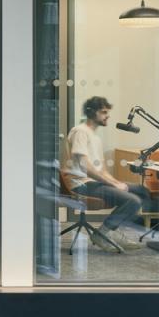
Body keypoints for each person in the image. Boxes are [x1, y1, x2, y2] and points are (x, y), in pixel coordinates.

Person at [62, 96, 150, 253]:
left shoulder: (95, 137)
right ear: (91, 113)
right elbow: (85, 167)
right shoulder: (80, 132)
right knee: (133, 200)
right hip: (81, 184)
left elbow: (101, 170)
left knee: (142, 191)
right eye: (103, 112)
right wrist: (114, 184)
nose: (107, 115)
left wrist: (116, 182)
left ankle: (113, 231)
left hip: (93, 182)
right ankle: (101, 234)